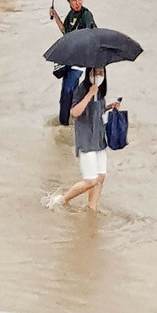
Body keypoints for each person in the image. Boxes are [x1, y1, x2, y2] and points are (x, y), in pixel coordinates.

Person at [43, 68, 120, 211]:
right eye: (94, 73)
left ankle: (92, 208)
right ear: (88, 74)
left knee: (100, 178)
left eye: (101, 73)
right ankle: (61, 200)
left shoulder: (101, 92)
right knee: (91, 181)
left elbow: (96, 112)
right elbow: (75, 112)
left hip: (99, 140)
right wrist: (89, 94)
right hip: (86, 141)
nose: (98, 76)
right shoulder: (81, 90)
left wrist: (110, 107)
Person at [49, 0, 96, 125]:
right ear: (68, 1)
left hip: (80, 62)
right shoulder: (71, 15)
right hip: (69, 59)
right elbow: (65, 32)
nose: (77, 3)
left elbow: (91, 36)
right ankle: (66, 122)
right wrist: (55, 16)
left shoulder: (86, 15)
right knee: (66, 93)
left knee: (68, 90)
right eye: (74, 0)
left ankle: (67, 122)